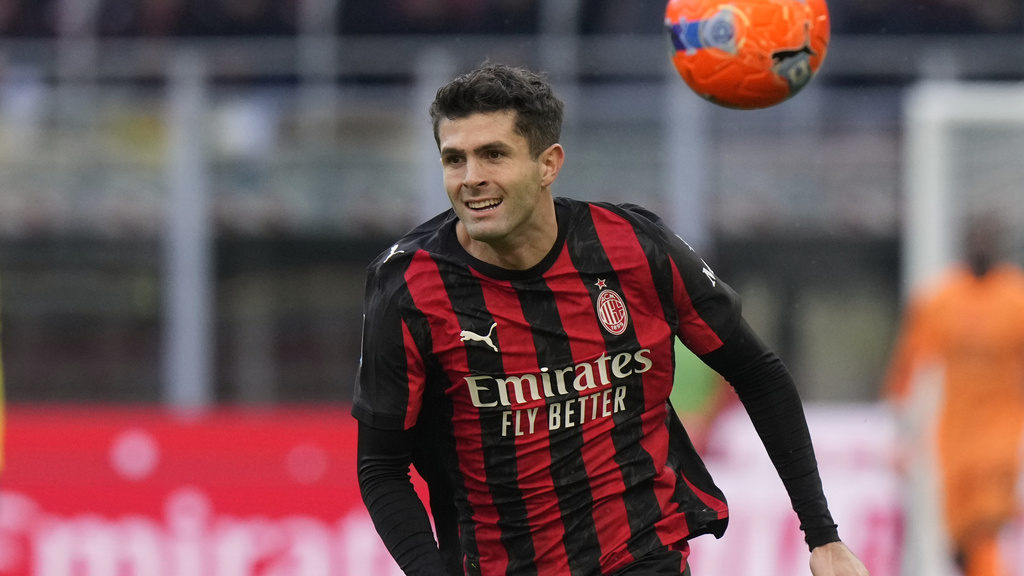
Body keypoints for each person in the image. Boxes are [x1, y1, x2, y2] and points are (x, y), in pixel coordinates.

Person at [353, 63, 869, 576]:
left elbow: (758, 372)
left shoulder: (633, 248)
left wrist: (822, 535)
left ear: (548, 163)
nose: (471, 179)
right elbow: (381, 467)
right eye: (454, 159)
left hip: (641, 555)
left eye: (493, 155)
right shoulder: (408, 288)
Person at [884, 214, 1024, 576]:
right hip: (955, 435)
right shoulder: (941, 298)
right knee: (960, 538)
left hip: (1002, 432)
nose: (980, 249)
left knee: (987, 520)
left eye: (987, 241)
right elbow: (910, 361)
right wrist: (901, 425)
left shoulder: (1016, 297)